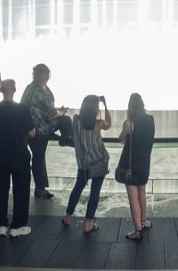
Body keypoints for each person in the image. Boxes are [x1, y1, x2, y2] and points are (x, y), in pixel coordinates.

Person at [0, 77, 34, 237]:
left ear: (1, 90)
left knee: (0, 189)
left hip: (0, 155)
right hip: (20, 154)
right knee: (21, 190)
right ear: (14, 90)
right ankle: (17, 226)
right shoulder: (23, 109)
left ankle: (1, 225)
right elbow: (32, 132)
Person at [61, 95, 111, 233]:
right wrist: (106, 105)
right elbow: (109, 123)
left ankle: (67, 216)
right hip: (98, 162)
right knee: (95, 192)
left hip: (83, 163)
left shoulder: (76, 120)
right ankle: (88, 223)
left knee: (77, 188)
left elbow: (71, 135)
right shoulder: (98, 124)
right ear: (96, 109)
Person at [118, 92, 155, 240]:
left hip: (130, 165)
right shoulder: (150, 119)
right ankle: (144, 220)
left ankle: (137, 231)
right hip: (144, 162)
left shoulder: (129, 123)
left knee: (133, 197)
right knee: (142, 193)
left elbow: (122, 139)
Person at [20, 65, 58, 199]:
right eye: (46, 74)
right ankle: (40, 188)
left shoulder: (38, 88)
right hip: (36, 128)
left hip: (41, 127)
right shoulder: (36, 90)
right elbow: (47, 108)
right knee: (38, 156)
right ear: (40, 75)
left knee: (39, 156)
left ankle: (41, 186)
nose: (48, 76)